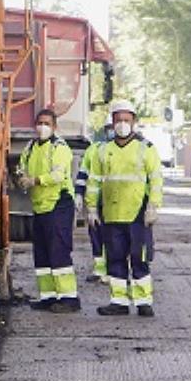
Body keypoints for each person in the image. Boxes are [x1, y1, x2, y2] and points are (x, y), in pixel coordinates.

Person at [85, 100, 163, 318]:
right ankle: (118, 302)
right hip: (111, 214)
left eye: (126, 120)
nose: (122, 124)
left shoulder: (146, 148)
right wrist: (91, 208)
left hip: (138, 214)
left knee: (139, 258)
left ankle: (143, 302)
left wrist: (153, 205)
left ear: (134, 121)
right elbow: (94, 181)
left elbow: (156, 179)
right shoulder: (103, 150)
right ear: (112, 122)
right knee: (115, 258)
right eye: (118, 120)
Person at [16, 109, 79, 313]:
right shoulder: (30, 147)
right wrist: (21, 177)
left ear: (54, 127)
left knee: (59, 251)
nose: (42, 127)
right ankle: (48, 297)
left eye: (47, 124)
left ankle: (69, 299)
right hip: (40, 206)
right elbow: (22, 166)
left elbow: (58, 175)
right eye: (39, 123)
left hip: (59, 204)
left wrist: (34, 180)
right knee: (42, 254)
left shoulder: (59, 147)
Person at [75, 121, 112, 284]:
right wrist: (79, 194)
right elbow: (83, 173)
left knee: (114, 237)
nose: (112, 131)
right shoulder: (94, 149)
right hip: (96, 202)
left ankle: (114, 270)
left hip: (117, 202)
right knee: (96, 235)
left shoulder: (127, 149)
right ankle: (99, 270)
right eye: (109, 128)